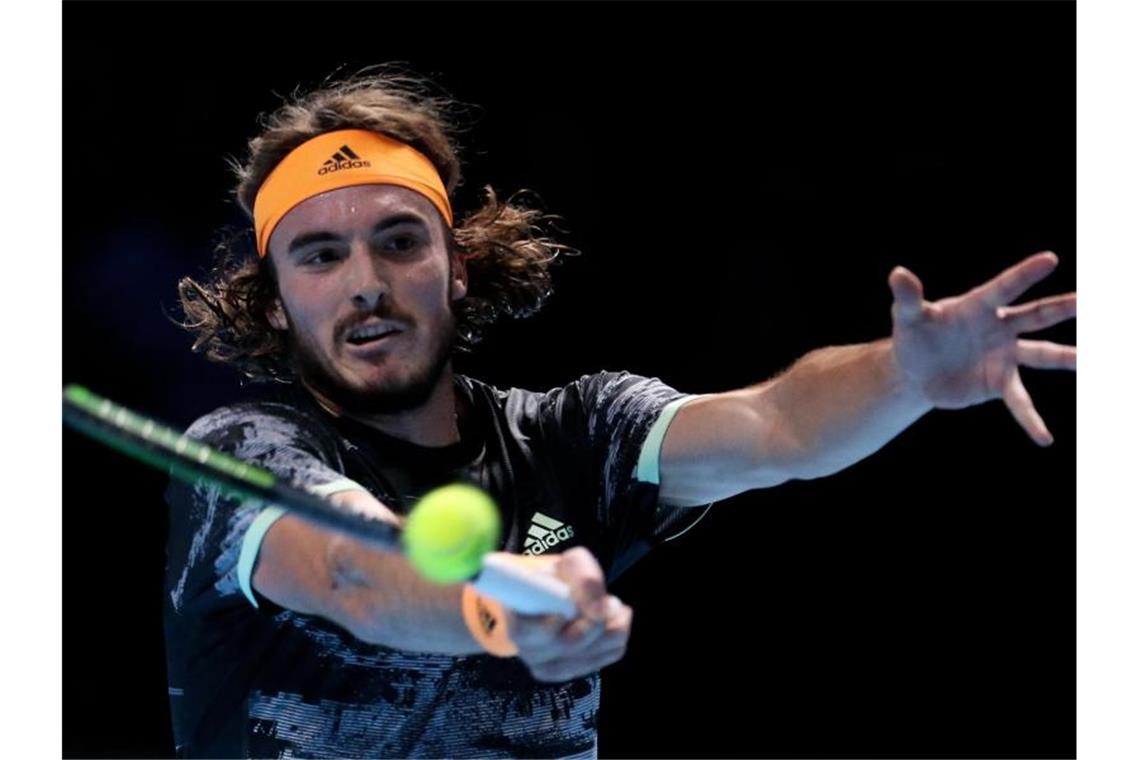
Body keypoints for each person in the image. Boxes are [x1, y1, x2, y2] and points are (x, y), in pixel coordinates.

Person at [165, 69, 1076, 759]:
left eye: (400, 243)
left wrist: (902, 377)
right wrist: (500, 610)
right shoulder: (241, 454)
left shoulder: (577, 433)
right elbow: (351, 573)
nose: (366, 285)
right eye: (320, 257)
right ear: (275, 302)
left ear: (458, 266)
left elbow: (773, 427)